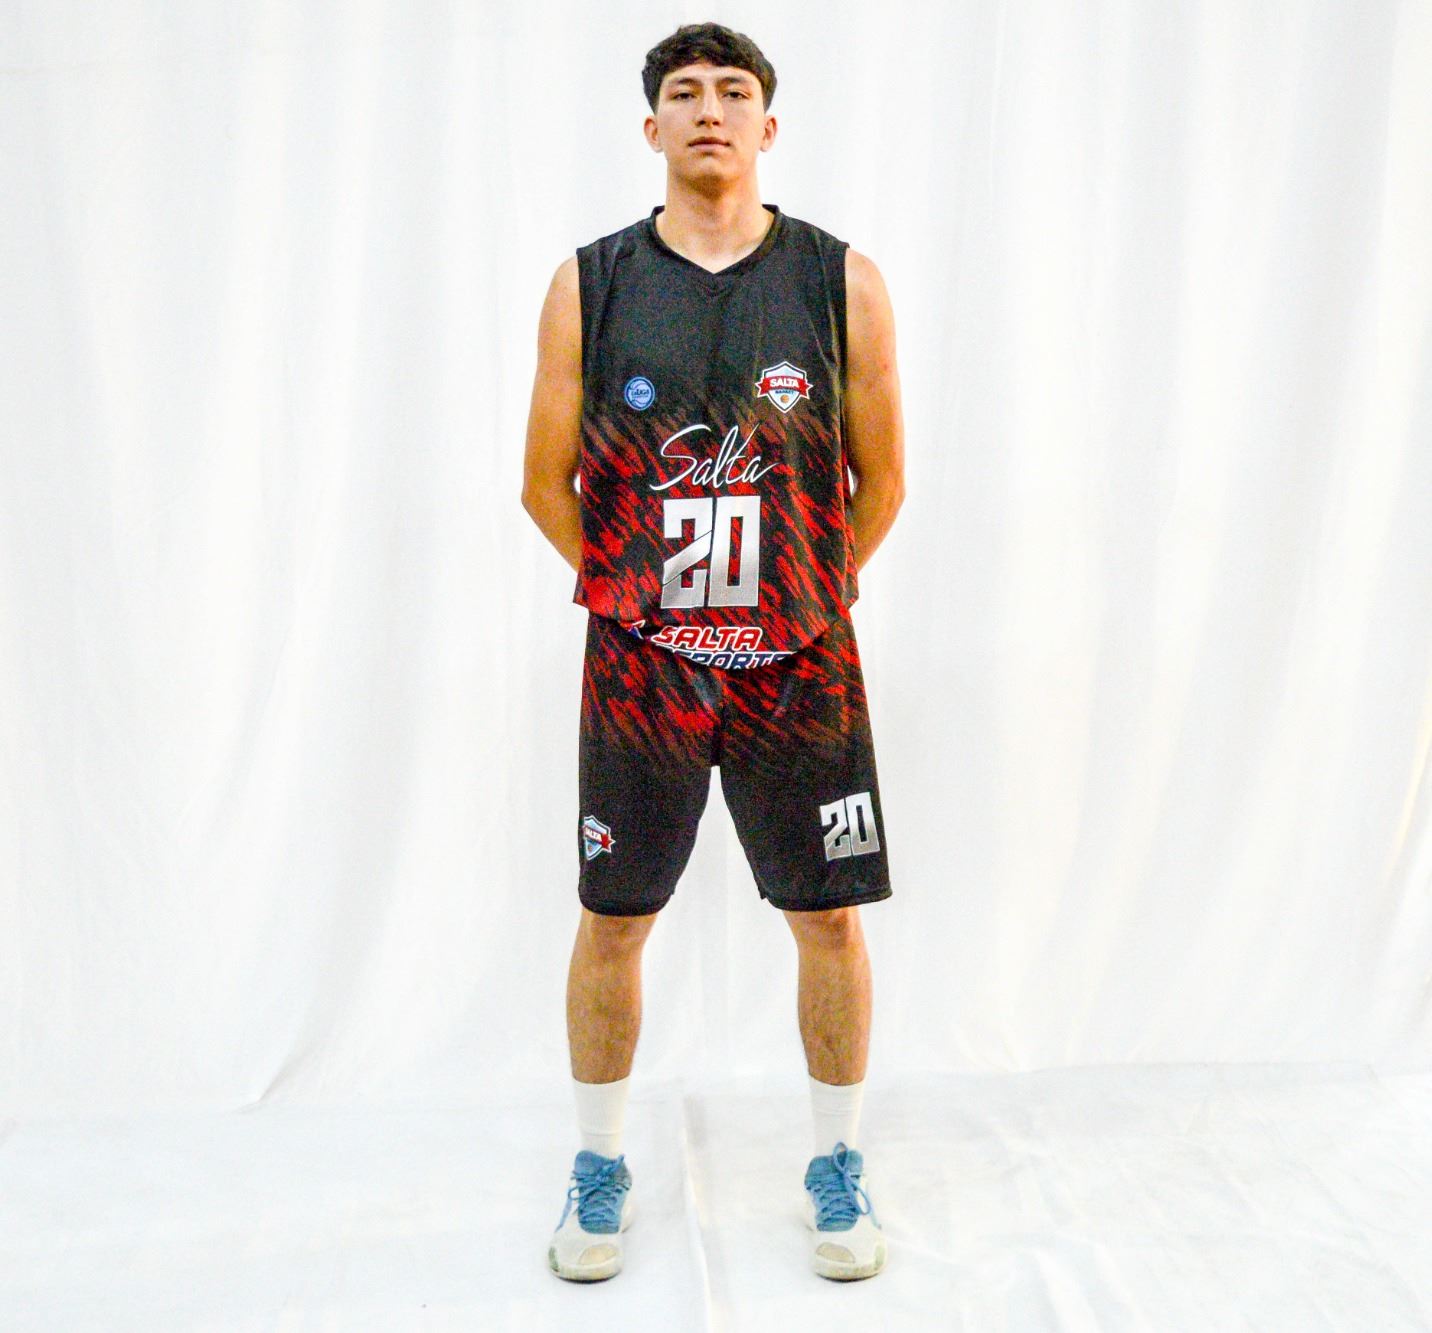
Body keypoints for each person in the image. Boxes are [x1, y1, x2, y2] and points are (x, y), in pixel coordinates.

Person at [520, 21, 905, 1283]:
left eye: (733, 92)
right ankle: (598, 1164)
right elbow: (542, 482)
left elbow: (884, 480)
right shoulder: (591, 282)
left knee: (829, 917)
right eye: (682, 93)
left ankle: (837, 1162)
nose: (708, 110)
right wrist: (637, 599)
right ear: (651, 128)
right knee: (613, 917)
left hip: (798, 658)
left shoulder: (839, 280)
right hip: (645, 663)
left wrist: (804, 592)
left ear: (766, 126)